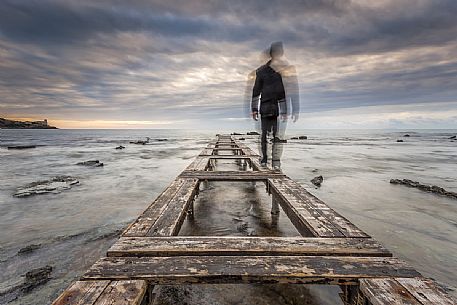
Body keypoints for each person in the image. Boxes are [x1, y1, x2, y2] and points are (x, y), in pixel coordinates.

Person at [250, 42, 299, 169]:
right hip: (265, 107)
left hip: (275, 108)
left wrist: (284, 110)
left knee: (275, 135)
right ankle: (265, 160)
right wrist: (254, 109)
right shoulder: (261, 71)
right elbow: (256, 91)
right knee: (265, 134)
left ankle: (274, 162)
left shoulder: (280, 72)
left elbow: (282, 92)